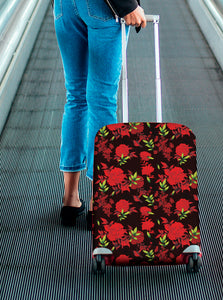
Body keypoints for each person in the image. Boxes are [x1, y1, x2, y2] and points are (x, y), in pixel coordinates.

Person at [53, 0, 146, 226]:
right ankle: (100, 202)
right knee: (101, 101)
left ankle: (70, 198)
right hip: (103, 8)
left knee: (75, 97)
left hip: (64, 7)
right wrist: (128, 5)